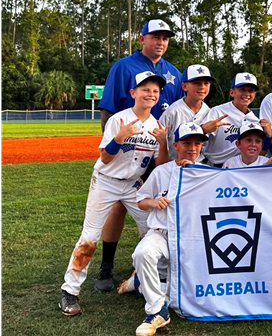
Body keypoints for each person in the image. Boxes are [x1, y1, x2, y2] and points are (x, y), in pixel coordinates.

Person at [59, 71, 170, 316]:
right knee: (89, 237)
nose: (150, 94)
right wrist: (119, 138)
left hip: (133, 185)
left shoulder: (156, 126)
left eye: (155, 91)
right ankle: (70, 290)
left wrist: (163, 143)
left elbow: (161, 167)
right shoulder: (118, 120)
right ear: (133, 93)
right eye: (145, 89)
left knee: (153, 230)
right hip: (106, 181)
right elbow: (106, 158)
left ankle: (144, 279)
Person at [93, 19, 184, 292]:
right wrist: (115, 146)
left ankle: (148, 266)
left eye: (165, 37)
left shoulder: (174, 73)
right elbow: (109, 111)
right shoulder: (123, 67)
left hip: (160, 150)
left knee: (159, 206)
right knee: (119, 205)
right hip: (130, 147)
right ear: (141, 39)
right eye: (155, 36)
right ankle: (106, 267)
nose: (160, 42)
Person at [116, 122, 209, 336]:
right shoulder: (161, 171)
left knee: (187, 292)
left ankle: (141, 282)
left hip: (192, 238)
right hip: (162, 232)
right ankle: (157, 311)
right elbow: (141, 200)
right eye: (187, 143)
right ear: (176, 144)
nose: (192, 148)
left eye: (197, 143)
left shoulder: (206, 174)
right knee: (142, 253)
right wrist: (153, 202)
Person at [159, 64, 231, 164]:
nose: (202, 87)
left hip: (199, 167)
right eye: (196, 83)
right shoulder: (172, 112)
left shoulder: (209, 112)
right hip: (174, 166)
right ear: (184, 86)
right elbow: (160, 143)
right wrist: (203, 130)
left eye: (206, 83)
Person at [201, 73, 272, 168]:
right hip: (216, 167)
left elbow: (260, 153)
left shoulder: (255, 121)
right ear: (232, 92)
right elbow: (197, 139)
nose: (247, 94)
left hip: (242, 168)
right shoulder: (218, 112)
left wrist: (268, 136)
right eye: (242, 89)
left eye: (251, 90)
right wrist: (204, 130)